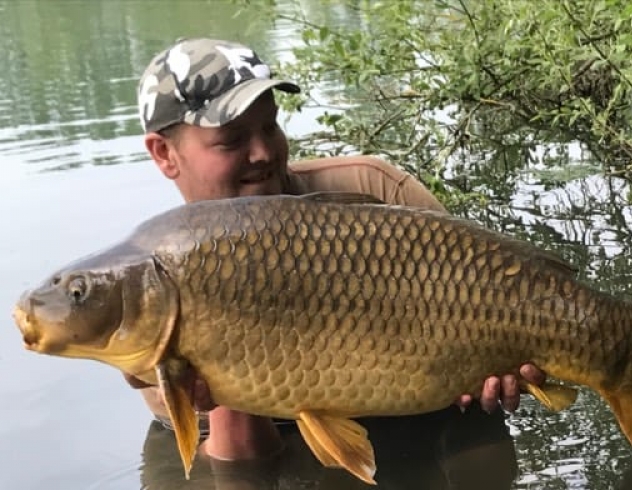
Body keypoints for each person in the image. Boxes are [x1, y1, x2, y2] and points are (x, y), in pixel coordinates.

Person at [131, 37, 546, 462]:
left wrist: (503, 365)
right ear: (164, 154)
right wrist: (225, 387)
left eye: (270, 126)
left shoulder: (376, 192)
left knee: (475, 440)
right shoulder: (154, 300)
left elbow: (500, 295)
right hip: (292, 453)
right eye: (232, 139)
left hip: (423, 419)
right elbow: (248, 472)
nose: (263, 153)